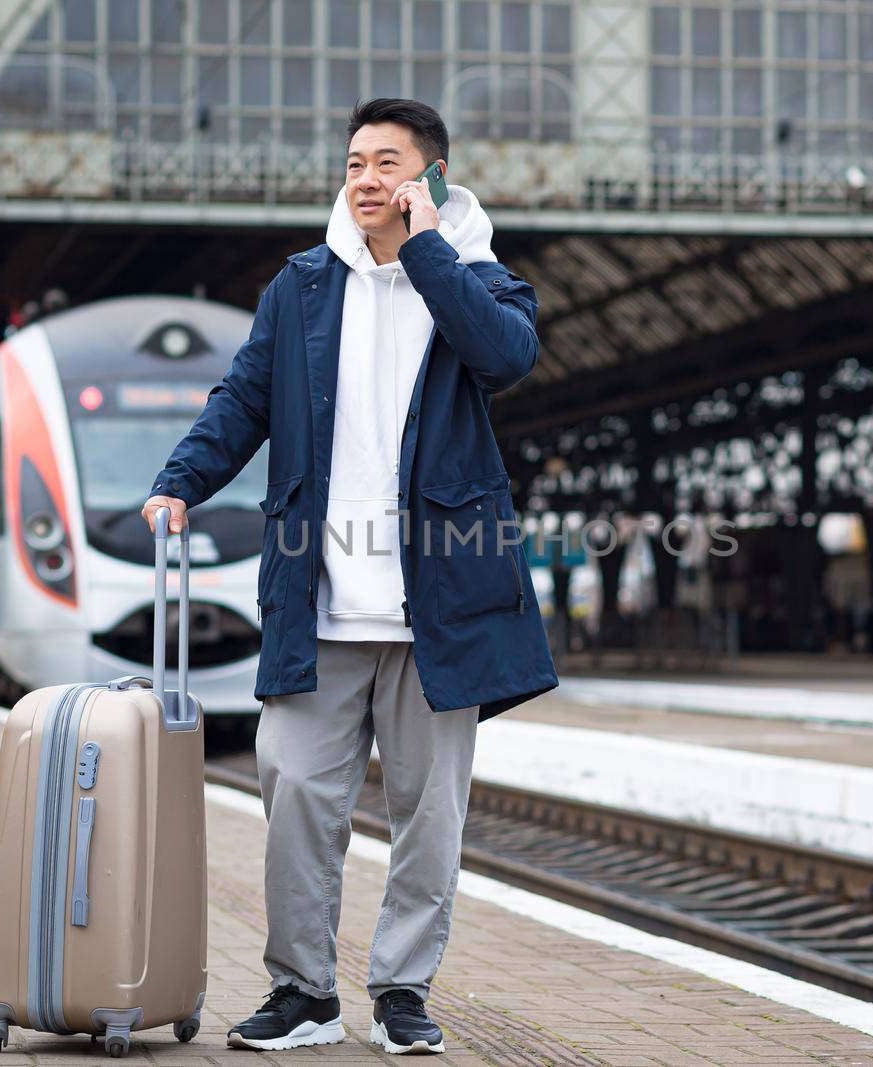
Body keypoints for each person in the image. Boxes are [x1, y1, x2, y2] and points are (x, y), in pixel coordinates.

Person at [140, 98, 558, 1055]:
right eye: (355, 162)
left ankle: (402, 991)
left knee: (429, 816)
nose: (366, 178)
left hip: (438, 605)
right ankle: (304, 991)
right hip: (318, 598)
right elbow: (243, 399)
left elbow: (503, 360)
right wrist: (181, 481)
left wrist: (427, 250)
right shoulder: (301, 288)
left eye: (389, 163)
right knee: (292, 794)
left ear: (431, 179)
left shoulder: (483, 282)